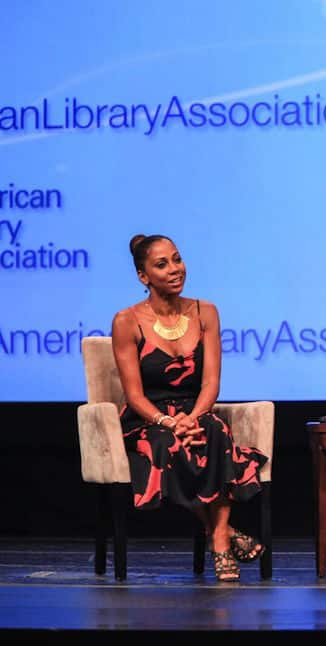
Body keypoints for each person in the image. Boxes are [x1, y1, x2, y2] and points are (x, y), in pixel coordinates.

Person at [111, 234, 268, 582]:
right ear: (143, 276)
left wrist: (192, 418)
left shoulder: (205, 312)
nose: (174, 270)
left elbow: (211, 383)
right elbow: (134, 395)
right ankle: (224, 537)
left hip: (194, 411)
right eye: (162, 264)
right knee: (168, 444)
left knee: (215, 431)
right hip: (148, 417)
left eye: (177, 259)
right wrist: (169, 422)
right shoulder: (127, 321)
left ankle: (218, 536)